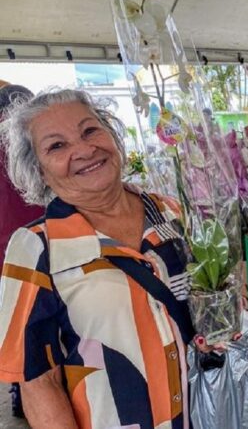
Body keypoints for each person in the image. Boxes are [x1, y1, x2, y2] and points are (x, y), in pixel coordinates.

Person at [0, 89, 198, 429]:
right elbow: (39, 382)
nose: (84, 149)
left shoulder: (172, 212)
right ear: (40, 171)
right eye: (57, 146)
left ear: (113, 135)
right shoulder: (36, 248)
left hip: (208, 414)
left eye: (90, 130)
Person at [0, 82, 44, 419]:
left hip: (7, 252)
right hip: (42, 244)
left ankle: (19, 393)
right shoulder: (34, 143)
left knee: (16, 325)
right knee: (41, 324)